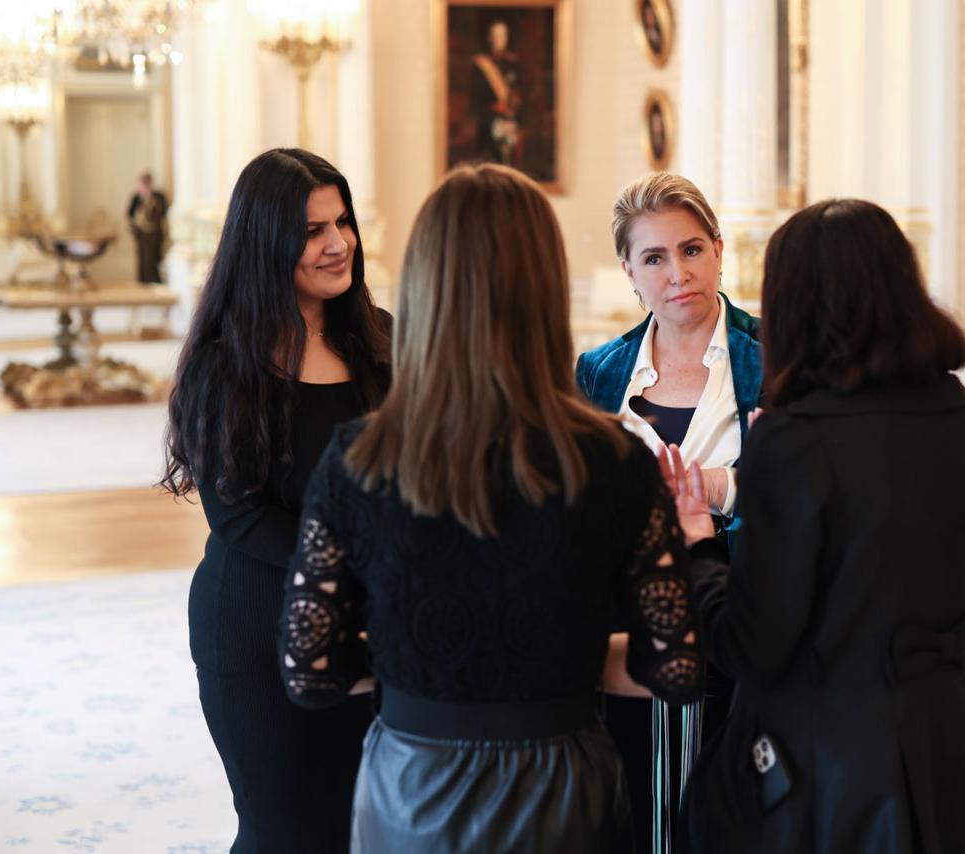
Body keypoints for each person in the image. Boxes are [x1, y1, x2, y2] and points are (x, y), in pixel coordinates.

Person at [276, 163, 708, 853]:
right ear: (542, 288)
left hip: (413, 783)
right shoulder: (614, 461)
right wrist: (551, 657)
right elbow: (678, 670)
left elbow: (309, 670)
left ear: (423, 289)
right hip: (560, 786)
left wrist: (426, 657)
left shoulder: (360, 458)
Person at [670, 198, 965, 853]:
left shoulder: (798, 442)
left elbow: (749, 645)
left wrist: (698, 543)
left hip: (823, 771)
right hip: (948, 751)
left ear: (792, 303)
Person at [160, 149, 391, 854]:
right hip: (257, 622)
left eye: (342, 221)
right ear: (265, 242)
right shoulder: (223, 362)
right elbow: (240, 517)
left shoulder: (382, 338)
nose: (337, 243)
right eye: (312, 230)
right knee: (284, 831)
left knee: (364, 827)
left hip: (374, 623)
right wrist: (356, 572)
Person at [576, 171, 761, 849]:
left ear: (718, 249)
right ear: (629, 271)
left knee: (725, 803)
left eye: (690, 250)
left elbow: (807, 490)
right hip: (628, 620)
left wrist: (717, 490)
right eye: (654, 257)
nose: (677, 272)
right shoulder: (597, 371)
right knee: (633, 797)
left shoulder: (774, 357)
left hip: (738, 610)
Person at [470, 20, 524, 167]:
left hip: (510, 118)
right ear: (489, 38)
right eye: (495, 36)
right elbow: (476, 97)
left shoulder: (514, 63)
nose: (499, 40)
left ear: (506, 38)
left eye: (502, 36)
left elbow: (519, 92)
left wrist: (513, 108)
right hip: (489, 120)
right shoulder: (481, 64)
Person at [127, 171, 169, 283]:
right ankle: (144, 280)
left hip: (155, 233)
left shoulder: (158, 196)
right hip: (142, 234)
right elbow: (130, 214)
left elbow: (164, 211)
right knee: (144, 258)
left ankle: (156, 280)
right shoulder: (136, 197)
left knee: (156, 257)